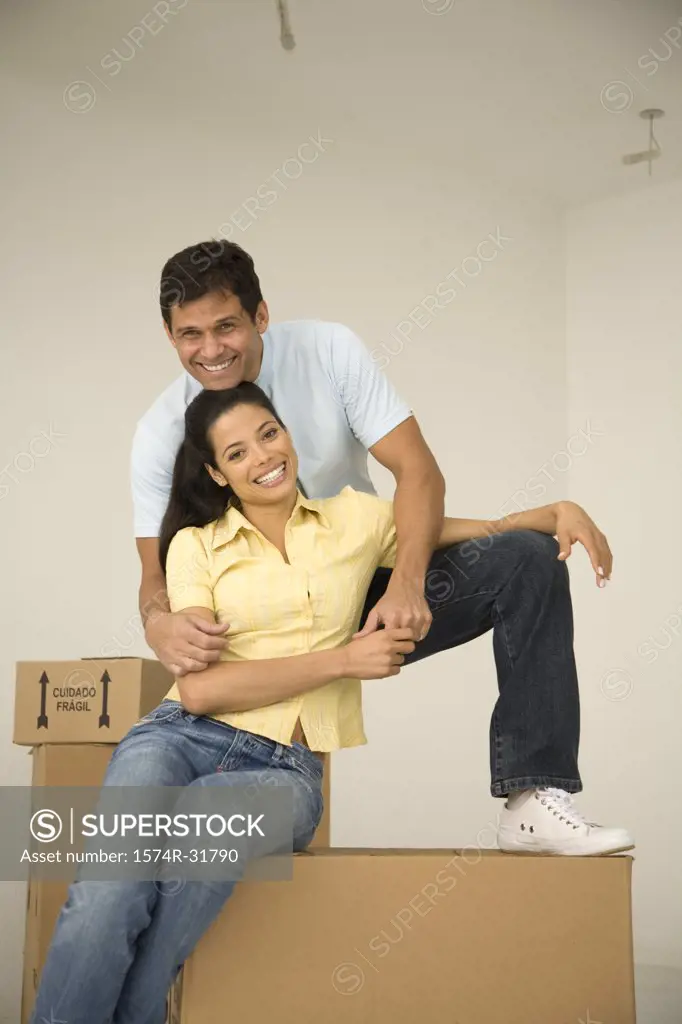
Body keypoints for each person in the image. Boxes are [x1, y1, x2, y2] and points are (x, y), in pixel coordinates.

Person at [31, 382, 633, 1024]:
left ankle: (534, 796)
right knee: (107, 896)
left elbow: (480, 537)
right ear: (217, 473)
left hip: (286, 767)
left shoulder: (356, 522)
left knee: (198, 843)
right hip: (177, 737)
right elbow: (202, 691)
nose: (263, 456)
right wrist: (344, 661)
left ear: (286, 432)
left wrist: (553, 509)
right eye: (236, 453)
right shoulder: (195, 546)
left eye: (269, 433)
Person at [131, 239, 632, 853]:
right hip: (260, 632)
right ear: (168, 333)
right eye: (191, 334)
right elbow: (153, 577)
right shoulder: (161, 432)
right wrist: (159, 626)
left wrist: (410, 581)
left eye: (227, 326)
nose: (211, 350)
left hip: (362, 597)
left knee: (529, 560)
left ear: (262, 316)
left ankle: (534, 800)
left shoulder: (327, 352)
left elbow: (417, 475)